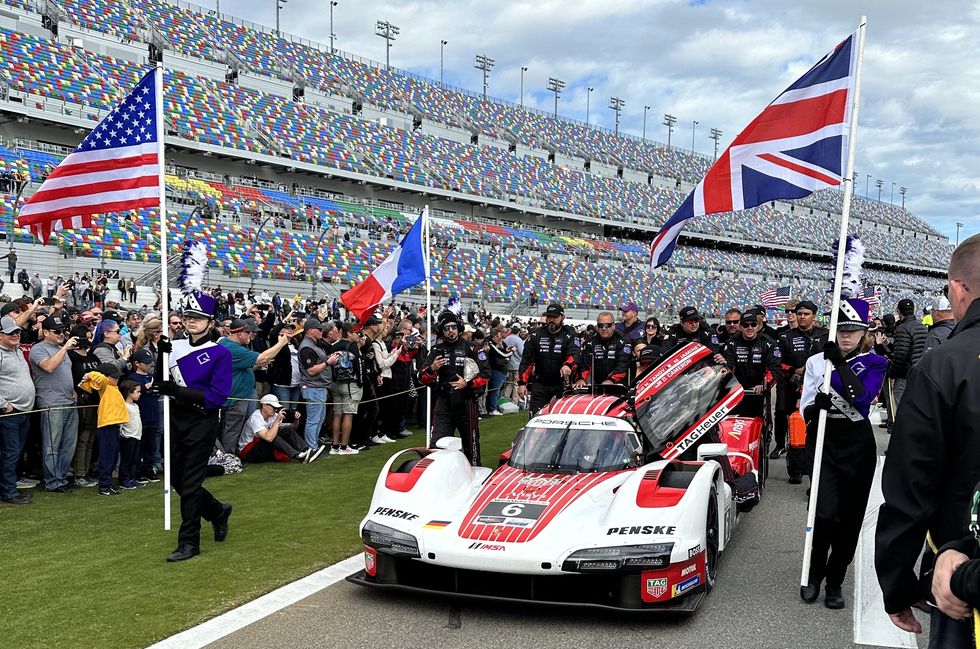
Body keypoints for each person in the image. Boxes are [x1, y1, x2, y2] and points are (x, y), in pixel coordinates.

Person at [875, 234, 980, 645]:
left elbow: (910, 486)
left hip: (962, 577)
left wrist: (898, 584)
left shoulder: (945, 364)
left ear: (957, 288)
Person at [798, 297, 887, 609]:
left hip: (857, 445)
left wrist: (837, 364)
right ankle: (813, 575)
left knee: (848, 520)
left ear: (863, 332)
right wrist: (812, 409)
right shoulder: (814, 362)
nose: (845, 336)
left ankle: (835, 582)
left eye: (852, 330)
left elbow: (862, 399)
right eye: (840, 329)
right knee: (822, 515)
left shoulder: (876, 362)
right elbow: (805, 404)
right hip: (825, 439)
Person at [157, 292, 234, 562]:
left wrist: (177, 390)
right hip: (176, 417)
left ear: (210, 322)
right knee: (176, 479)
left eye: (198, 318)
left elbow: (217, 397)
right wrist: (160, 355)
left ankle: (189, 542)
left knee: (190, 483)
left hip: (202, 419)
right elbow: (160, 383)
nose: (191, 321)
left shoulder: (220, 353)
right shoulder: (175, 346)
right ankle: (216, 511)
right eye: (188, 316)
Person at [419, 312, 490, 466]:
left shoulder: (473, 348)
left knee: (471, 444)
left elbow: (485, 374)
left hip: (466, 401)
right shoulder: (436, 350)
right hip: (444, 401)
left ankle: (474, 474)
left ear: (458, 328)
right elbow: (421, 377)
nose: (450, 331)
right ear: (441, 331)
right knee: (437, 444)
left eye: (453, 327)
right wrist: (432, 368)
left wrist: (468, 383)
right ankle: (438, 475)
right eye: (446, 328)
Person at [217, 319, 290, 454]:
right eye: (249, 332)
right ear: (239, 334)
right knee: (232, 429)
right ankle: (229, 458)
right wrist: (281, 343)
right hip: (236, 397)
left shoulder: (224, 342)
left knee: (233, 428)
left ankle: (233, 454)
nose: (251, 335)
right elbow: (262, 358)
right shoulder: (234, 349)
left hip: (239, 394)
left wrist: (256, 364)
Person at [775, 300, 828, 482]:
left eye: (806, 314)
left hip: (818, 390)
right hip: (793, 387)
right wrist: (793, 370)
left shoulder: (826, 336)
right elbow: (777, 362)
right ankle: (795, 469)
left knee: (816, 430)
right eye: (799, 314)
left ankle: (814, 471)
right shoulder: (786, 337)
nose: (802, 317)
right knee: (795, 428)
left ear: (814, 316)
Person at [29, 315, 80, 493]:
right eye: (57, 331)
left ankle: (61, 477)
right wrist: (65, 347)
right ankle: (52, 481)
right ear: (45, 332)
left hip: (69, 401)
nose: (62, 334)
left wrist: (73, 389)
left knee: (68, 445)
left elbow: (65, 372)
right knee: (52, 445)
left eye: (63, 331)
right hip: (51, 403)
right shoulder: (38, 349)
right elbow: (49, 367)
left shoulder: (61, 350)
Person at [717, 308, 781, 419]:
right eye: (746, 325)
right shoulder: (732, 343)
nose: (750, 328)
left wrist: (765, 384)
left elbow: (775, 368)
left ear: (757, 326)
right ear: (740, 327)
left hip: (760, 393)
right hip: (737, 392)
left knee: (760, 426)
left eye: (753, 324)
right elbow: (729, 367)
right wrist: (725, 367)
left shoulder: (769, 343)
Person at [517, 303, 581, 414]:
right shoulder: (536, 335)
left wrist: (568, 365)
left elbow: (575, 353)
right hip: (540, 385)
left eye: (555, 317)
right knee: (537, 417)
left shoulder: (570, 335)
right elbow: (526, 361)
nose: (551, 320)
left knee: (560, 419)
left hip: (561, 385)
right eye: (549, 317)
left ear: (562, 317)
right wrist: (522, 383)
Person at [79, 362, 128, 497]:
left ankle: (107, 483)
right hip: (107, 425)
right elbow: (98, 377)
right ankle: (104, 485)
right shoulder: (105, 385)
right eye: (114, 376)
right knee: (107, 457)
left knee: (112, 456)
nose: (117, 379)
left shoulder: (113, 387)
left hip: (114, 425)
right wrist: (90, 374)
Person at [0, 316, 35, 504]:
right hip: (9, 413)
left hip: (23, 411)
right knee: (11, 452)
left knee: (15, 452)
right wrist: (3, 404)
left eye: (17, 332)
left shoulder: (18, 350)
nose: (15, 335)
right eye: (10, 333)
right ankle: (8, 492)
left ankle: (8, 488)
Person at [239, 394, 322, 464]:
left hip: (261, 446)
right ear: (264, 406)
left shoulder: (273, 415)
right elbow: (269, 438)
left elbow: (292, 428)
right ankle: (297, 456)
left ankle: (306, 451)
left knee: (286, 430)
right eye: (273, 407)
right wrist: (277, 420)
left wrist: (296, 419)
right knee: (272, 436)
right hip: (248, 452)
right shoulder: (256, 418)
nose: (275, 409)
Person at [298, 318, 337, 453]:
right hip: (313, 387)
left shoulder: (315, 344)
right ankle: (311, 447)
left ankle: (313, 445)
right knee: (313, 420)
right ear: (311, 330)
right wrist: (328, 363)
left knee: (319, 420)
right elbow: (311, 370)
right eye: (319, 329)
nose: (322, 332)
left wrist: (328, 359)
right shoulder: (306, 347)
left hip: (319, 387)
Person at [326, 321, 363, 455]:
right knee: (348, 414)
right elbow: (358, 367)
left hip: (336, 384)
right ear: (349, 333)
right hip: (350, 385)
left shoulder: (333, 346)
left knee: (337, 414)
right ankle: (344, 446)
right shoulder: (352, 346)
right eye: (356, 333)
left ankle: (335, 446)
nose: (358, 335)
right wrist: (360, 383)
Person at [888, 298, 927, 413]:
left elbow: (900, 355)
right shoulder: (922, 327)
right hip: (919, 373)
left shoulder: (902, 328)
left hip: (905, 374)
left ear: (899, 312)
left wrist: (892, 373)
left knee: (901, 408)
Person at [575, 311, 631, 390]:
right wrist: (581, 379)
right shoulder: (590, 343)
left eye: (607, 325)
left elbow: (623, 364)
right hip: (597, 387)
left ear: (614, 326)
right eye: (600, 325)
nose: (604, 328)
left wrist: (611, 380)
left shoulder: (623, 342)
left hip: (618, 387)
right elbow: (584, 364)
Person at [117, 380, 145, 490]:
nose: (139, 393)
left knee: (135, 458)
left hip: (137, 435)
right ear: (129, 392)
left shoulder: (135, 406)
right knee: (126, 459)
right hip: (128, 436)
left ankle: (132, 478)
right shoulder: (124, 406)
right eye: (137, 391)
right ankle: (124, 479)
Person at [484, 325, 512, 414]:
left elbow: (503, 352)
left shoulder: (500, 343)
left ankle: (494, 406)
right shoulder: (490, 344)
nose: (500, 337)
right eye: (499, 335)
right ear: (494, 336)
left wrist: (506, 350)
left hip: (501, 369)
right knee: (495, 390)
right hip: (496, 369)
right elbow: (501, 355)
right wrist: (512, 351)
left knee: (498, 390)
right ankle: (492, 409)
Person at [501, 323, 524, 403]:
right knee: (516, 384)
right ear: (519, 330)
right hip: (517, 365)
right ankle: (515, 401)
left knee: (509, 384)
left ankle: (505, 400)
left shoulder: (506, 339)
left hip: (508, 364)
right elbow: (522, 353)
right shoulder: (519, 340)